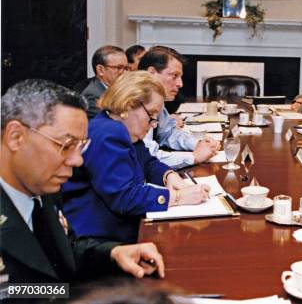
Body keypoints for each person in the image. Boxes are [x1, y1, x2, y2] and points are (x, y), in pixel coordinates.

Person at [0, 79, 165, 283]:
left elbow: (65, 249)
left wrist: (113, 253)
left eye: (81, 147)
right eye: (67, 145)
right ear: (16, 137)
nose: (77, 160)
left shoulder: (41, 188)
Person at [62, 72, 211, 243]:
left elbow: (147, 161)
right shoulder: (108, 134)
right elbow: (124, 197)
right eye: (152, 114)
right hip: (100, 238)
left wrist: (169, 175)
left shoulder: (119, 127)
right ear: (129, 104)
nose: (154, 123)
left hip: (118, 227)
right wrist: (178, 197)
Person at [139, 46, 219, 168]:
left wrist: (197, 144)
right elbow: (147, 157)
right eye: (174, 76)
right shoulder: (134, 104)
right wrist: (194, 157)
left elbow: (168, 133)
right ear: (151, 73)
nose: (180, 84)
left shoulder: (154, 100)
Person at [81, 46, 129, 118]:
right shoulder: (92, 96)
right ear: (100, 70)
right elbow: (110, 124)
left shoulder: (119, 91)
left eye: (126, 68)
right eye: (119, 68)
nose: (125, 73)